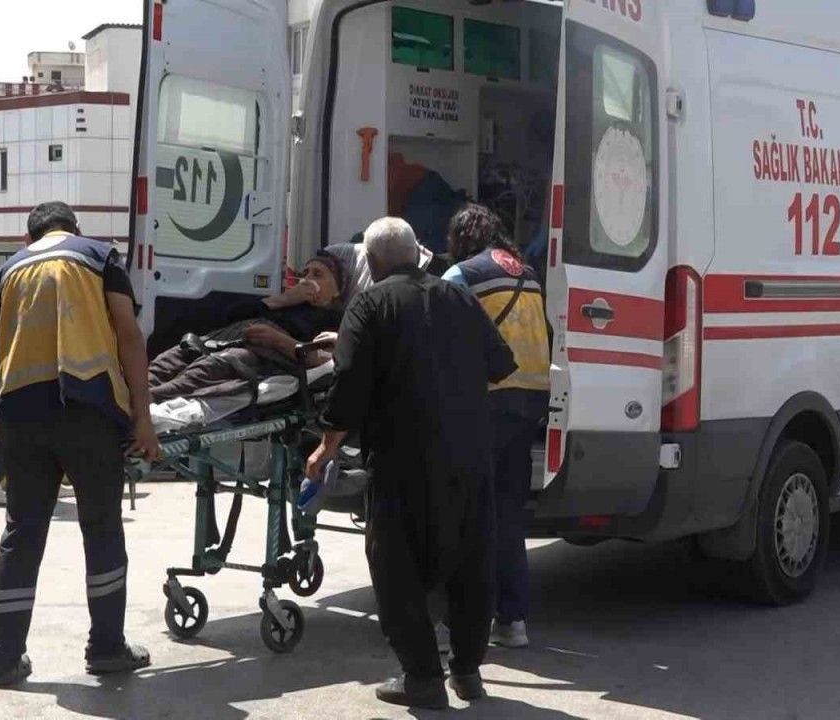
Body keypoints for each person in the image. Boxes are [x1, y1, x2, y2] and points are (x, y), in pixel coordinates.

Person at [306, 217, 515, 709]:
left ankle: (421, 676)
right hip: (469, 456)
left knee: (395, 566)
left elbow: (349, 384)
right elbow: (500, 365)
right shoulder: (459, 298)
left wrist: (325, 447)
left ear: (372, 261)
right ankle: (467, 671)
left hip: (403, 460)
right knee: (470, 563)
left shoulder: (369, 304)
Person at [0, 202, 161, 688]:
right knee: (101, 529)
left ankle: (1, 658)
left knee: (22, 534)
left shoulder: (8, 271)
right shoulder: (99, 257)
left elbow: (3, 343)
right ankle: (106, 649)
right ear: (74, 229)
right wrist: (143, 420)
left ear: (30, 238)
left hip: (20, 415)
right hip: (86, 410)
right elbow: (129, 338)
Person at [443, 204, 552, 650]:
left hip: (487, 402)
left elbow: (437, 335)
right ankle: (513, 621)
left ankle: (457, 624)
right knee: (508, 515)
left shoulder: (462, 274)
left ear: (461, 238)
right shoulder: (529, 273)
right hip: (530, 401)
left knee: (464, 513)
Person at [147, 253, 346, 401]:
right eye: (305, 273)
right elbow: (233, 315)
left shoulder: (336, 319)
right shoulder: (289, 302)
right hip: (226, 337)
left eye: (317, 274)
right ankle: (134, 395)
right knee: (169, 359)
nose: (307, 279)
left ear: (337, 290)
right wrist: (284, 299)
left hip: (264, 352)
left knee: (211, 367)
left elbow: (323, 359)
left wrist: (277, 339)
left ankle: (145, 403)